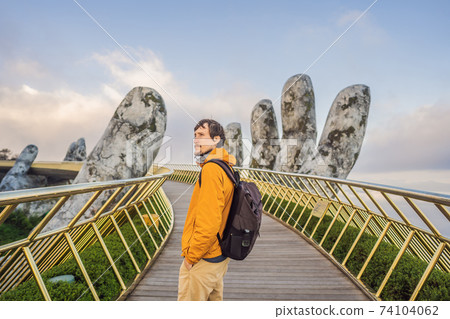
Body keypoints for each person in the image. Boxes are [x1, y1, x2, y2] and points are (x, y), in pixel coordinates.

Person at [178, 119, 236, 301]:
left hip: (204, 258)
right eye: (195, 136)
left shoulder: (211, 169)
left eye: (202, 135)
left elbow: (209, 222)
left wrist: (191, 258)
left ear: (216, 139)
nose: (196, 139)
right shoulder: (227, 167)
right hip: (220, 254)